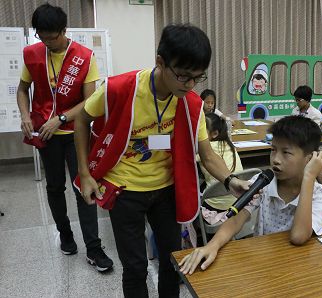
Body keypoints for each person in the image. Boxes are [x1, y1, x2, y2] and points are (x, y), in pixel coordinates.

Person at [74, 24, 251, 298]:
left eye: (197, 77)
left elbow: (207, 153)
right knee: (135, 268)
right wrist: (85, 173)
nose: (190, 85)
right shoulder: (120, 88)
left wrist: (230, 179)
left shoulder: (191, 103)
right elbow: (82, 120)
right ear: (160, 62)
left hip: (167, 191)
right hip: (124, 191)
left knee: (172, 263)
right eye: (182, 76)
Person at [16, 3, 113, 271]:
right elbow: (23, 89)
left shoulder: (84, 56)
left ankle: (94, 249)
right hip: (46, 135)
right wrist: (25, 115)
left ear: (64, 30)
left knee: (84, 186)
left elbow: (90, 102)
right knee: (54, 187)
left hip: (75, 133)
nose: (47, 43)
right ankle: (65, 234)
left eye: (52, 37)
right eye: (42, 37)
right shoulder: (33, 54)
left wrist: (60, 118)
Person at [179, 116, 322, 275]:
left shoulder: (318, 196)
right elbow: (236, 219)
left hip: (298, 268)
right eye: (273, 150)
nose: (276, 160)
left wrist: (309, 177)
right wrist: (212, 245)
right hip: (264, 263)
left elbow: (299, 237)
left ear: (309, 158)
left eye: (286, 152)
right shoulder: (264, 183)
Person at [197, 113, 243, 218]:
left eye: (201, 131)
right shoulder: (229, 145)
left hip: (214, 204)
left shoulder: (205, 149)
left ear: (214, 134)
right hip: (237, 202)